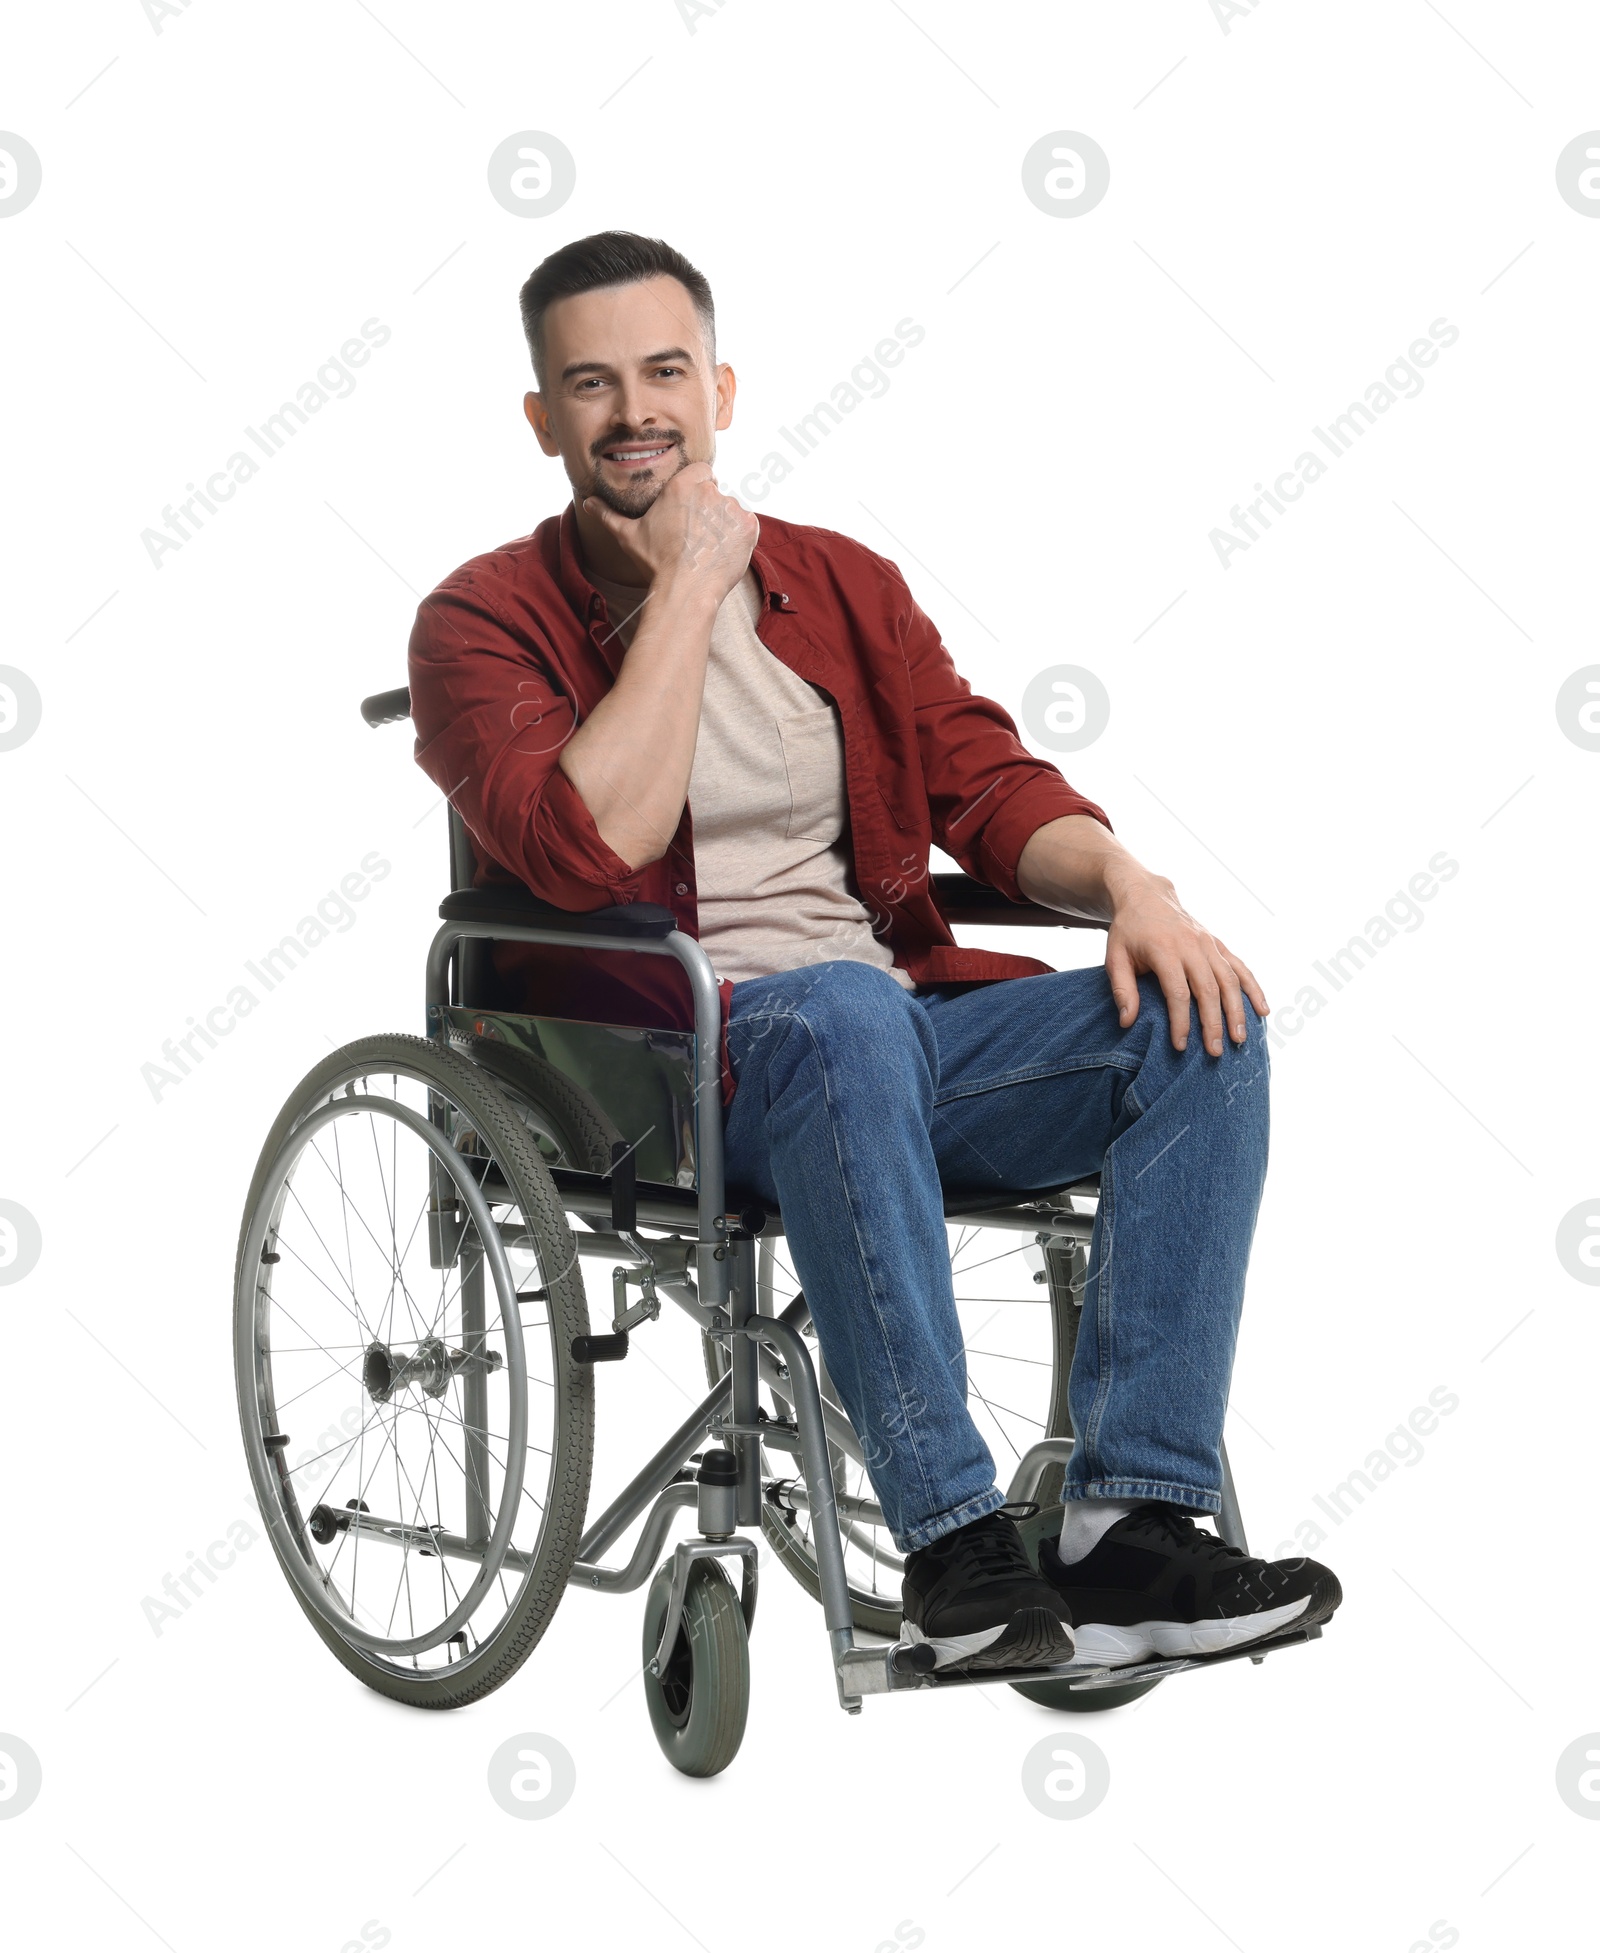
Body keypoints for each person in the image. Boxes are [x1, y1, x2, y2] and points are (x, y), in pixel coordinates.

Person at [408, 230, 1342, 1675]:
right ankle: (957, 1542)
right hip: (661, 1067)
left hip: (888, 1042)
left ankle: (1132, 1524)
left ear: (719, 386)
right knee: (841, 1008)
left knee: (1196, 1023)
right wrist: (682, 594)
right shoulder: (482, 620)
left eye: (664, 371)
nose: (635, 408)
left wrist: (1135, 890)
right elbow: (592, 844)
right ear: (542, 419)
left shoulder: (841, 584)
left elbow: (986, 781)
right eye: (591, 384)